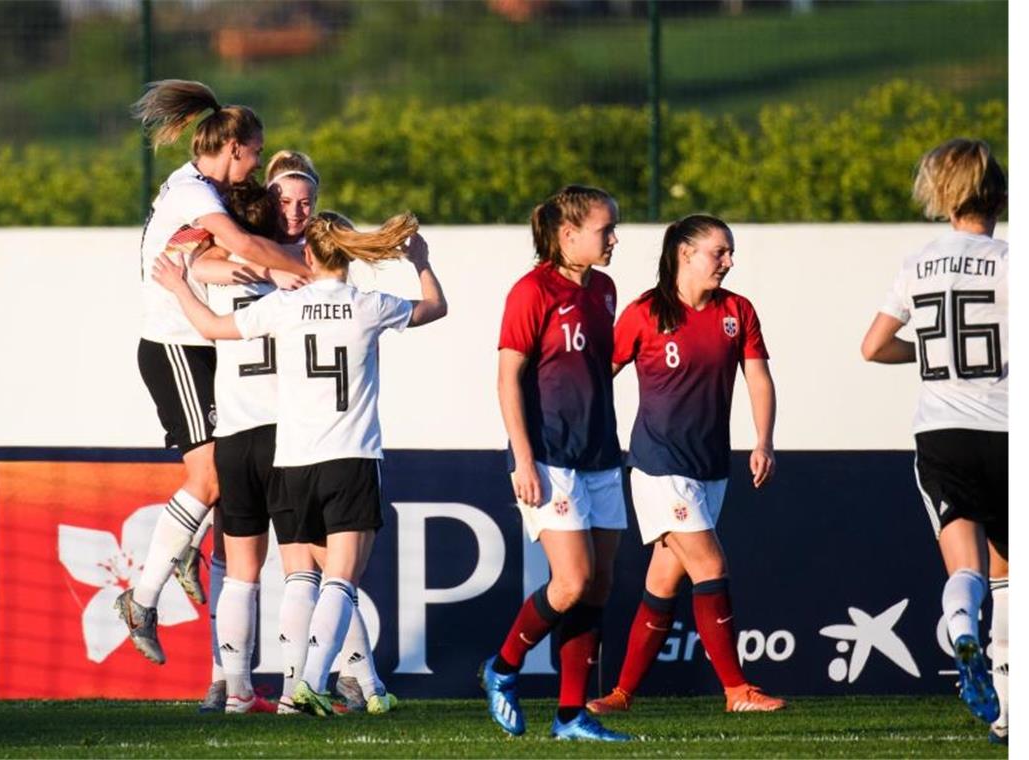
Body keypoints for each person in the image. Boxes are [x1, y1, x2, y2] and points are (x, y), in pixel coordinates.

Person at [153, 209, 447, 718]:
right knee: (341, 578)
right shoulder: (367, 304)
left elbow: (210, 326)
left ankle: (301, 690)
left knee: (299, 577)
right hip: (349, 457)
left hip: (291, 461)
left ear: (306, 255)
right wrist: (420, 262)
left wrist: (179, 286)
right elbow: (435, 308)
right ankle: (306, 685)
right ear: (348, 255)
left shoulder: (284, 306)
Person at [191, 152, 398, 715]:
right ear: (266, 200)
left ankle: (248, 687)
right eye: (285, 199)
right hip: (284, 435)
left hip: (270, 434)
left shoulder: (238, 253)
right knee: (314, 568)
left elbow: (193, 267)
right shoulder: (307, 270)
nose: (296, 210)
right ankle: (285, 686)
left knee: (290, 569)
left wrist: (249, 262)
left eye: (305, 201)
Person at [117, 79, 312, 667]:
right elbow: (235, 244)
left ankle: (187, 561)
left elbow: (211, 260)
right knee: (206, 480)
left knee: (224, 486)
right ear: (234, 148)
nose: (256, 166)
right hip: (174, 346)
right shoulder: (192, 190)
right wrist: (299, 269)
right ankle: (142, 599)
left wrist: (259, 270)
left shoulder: (200, 191)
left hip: (202, 345)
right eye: (255, 154)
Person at [587, 214, 785, 716]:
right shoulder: (644, 313)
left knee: (663, 582)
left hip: (711, 467)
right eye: (720, 251)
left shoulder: (737, 311)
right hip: (658, 467)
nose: (729, 261)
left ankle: (621, 694)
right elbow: (594, 380)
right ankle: (737, 690)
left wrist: (764, 440)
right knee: (712, 565)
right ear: (685, 253)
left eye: (730, 252)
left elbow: (758, 379)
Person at [861, 138, 1007, 744]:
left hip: (942, 431)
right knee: (1009, 573)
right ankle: (1008, 711)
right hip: (1008, 427)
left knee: (966, 569)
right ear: (997, 193)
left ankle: (959, 627)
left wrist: (933, 356)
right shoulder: (1012, 260)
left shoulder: (918, 262)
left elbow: (873, 346)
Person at [480, 185, 629, 742]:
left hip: (601, 455)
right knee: (570, 582)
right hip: (549, 457)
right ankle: (502, 666)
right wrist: (523, 458)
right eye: (604, 229)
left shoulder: (606, 290)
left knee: (599, 586)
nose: (614, 238)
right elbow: (507, 378)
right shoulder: (531, 291)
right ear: (568, 236)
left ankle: (571, 716)